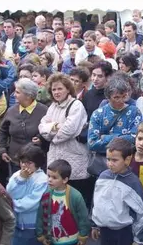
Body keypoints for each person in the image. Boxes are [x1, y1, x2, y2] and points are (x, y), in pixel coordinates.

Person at [39, 73, 92, 206]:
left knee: (75, 200)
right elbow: (41, 127)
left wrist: (52, 133)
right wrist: (54, 127)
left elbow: (68, 130)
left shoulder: (76, 105)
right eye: (54, 89)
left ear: (68, 89)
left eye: (60, 88)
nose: (56, 92)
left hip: (74, 158)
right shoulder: (52, 107)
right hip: (56, 157)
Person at [91, 138, 143, 245]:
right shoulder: (102, 176)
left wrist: (139, 239)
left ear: (127, 160)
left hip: (123, 232)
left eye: (114, 160)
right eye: (108, 159)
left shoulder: (132, 182)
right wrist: (94, 224)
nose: (110, 164)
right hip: (104, 230)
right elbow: (96, 202)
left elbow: (142, 212)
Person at [0, 78, 48, 177]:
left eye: (17, 92)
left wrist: (41, 139)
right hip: (15, 160)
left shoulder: (44, 111)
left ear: (28, 96)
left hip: (36, 163)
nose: (13, 94)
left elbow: (49, 134)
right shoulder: (11, 111)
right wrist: (2, 149)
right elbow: (2, 130)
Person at [36, 159, 90, 245]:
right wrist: (40, 235)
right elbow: (40, 215)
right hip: (52, 240)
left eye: (54, 177)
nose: (49, 180)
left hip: (73, 240)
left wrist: (83, 236)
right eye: (48, 176)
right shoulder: (46, 194)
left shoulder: (75, 196)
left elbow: (83, 218)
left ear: (65, 180)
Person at [88, 72, 143, 155]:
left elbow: (135, 138)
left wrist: (106, 138)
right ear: (108, 97)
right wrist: (123, 137)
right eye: (116, 97)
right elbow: (92, 143)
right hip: (102, 160)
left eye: (124, 96)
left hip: (127, 159)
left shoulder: (135, 112)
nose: (121, 100)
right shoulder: (98, 114)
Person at [6, 143, 48, 245]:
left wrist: (11, 204)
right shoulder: (17, 175)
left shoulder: (42, 180)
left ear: (37, 163)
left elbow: (32, 202)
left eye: (28, 163)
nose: (24, 165)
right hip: (16, 224)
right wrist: (21, 179)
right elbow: (9, 192)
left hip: (33, 226)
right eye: (22, 162)